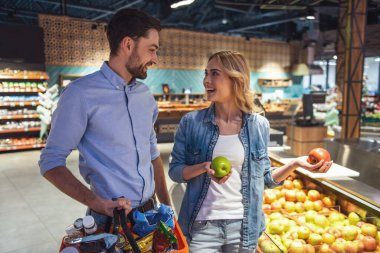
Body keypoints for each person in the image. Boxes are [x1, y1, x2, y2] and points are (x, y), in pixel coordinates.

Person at [169, 51, 333, 252]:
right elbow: (176, 172)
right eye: (206, 73)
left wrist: (295, 163)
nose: (206, 81)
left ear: (235, 79)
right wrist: (203, 167)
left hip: (243, 227)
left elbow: (265, 180)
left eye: (214, 74)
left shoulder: (258, 125)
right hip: (202, 226)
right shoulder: (191, 123)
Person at [39, 8, 171, 229]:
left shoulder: (145, 96)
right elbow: (50, 162)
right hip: (111, 220)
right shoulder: (80, 94)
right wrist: (95, 203)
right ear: (128, 45)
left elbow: (153, 155)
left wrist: (167, 210)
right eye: (151, 50)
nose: (155, 59)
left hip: (152, 214)